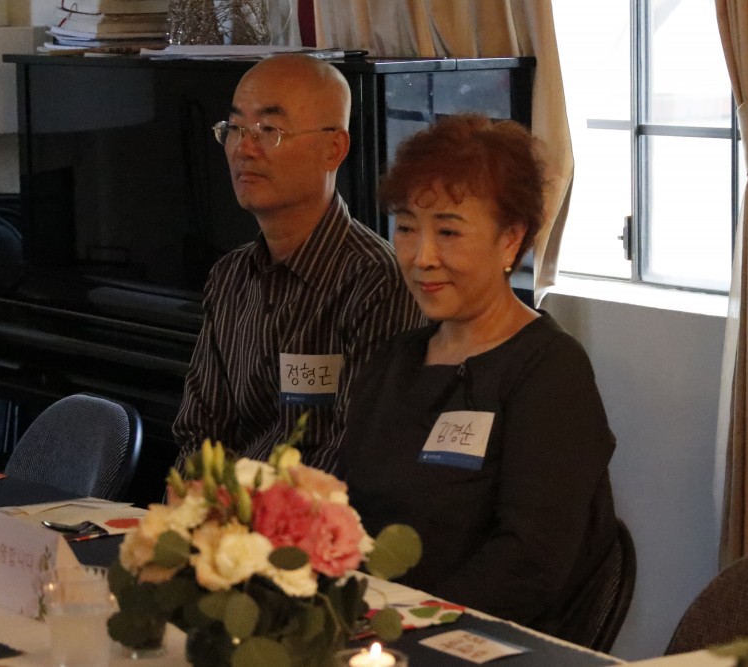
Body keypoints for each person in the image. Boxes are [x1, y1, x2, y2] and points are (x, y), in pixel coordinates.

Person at [341, 114, 618, 635]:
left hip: (475, 642)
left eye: (448, 232)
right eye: (406, 228)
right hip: (370, 628)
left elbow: (529, 561)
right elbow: (350, 511)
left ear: (511, 240)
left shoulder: (549, 371)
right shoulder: (394, 360)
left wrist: (405, 624)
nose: (422, 258)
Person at [173, 54, 423, 473]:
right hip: (226, 508)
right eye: (235, 128)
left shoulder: (378, 282)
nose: (244, 148)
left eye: (269, 130)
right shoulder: (230, 276)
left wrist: (248, 509)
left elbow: (353, 456)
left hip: (313, 511)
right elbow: (199, 433)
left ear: (333, 149)